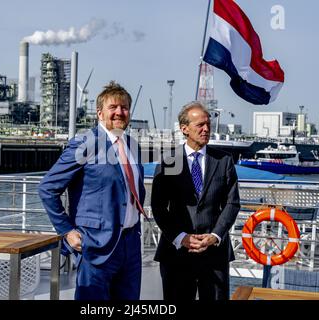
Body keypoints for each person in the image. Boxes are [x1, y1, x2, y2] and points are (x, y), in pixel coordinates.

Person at [38, 81, 145, 300]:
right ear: (99, 113)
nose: (119, 112)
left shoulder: (132, 146)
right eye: (113, 107)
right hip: (96, 244)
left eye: (124, 107)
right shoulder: (84, 144)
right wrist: (67, 231)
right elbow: (47, 188)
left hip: (131, 245)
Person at [151, 101, 240, 301]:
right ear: (184, 129)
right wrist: (181, 237)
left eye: (208, 124)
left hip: (214, 254)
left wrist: (215, 236)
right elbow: (158, 206)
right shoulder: (169, 161)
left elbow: (232, 203)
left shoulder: (224, 161)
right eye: (200, 125)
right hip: (177, 253)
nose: (206, 129)